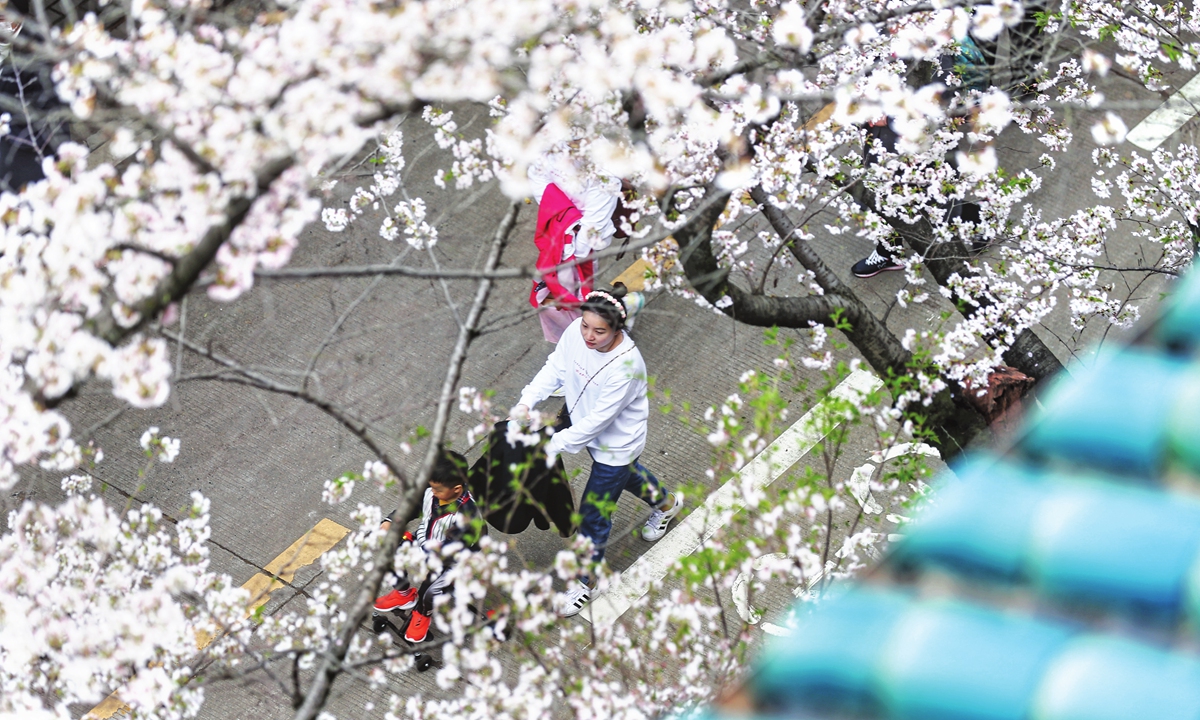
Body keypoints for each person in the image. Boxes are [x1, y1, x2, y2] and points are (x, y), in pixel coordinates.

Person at [510, 283, 683, 617]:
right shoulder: (577, 330)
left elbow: (599, 421)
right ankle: (667, 504)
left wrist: (553, 444)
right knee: (628, 477)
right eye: (586, 325)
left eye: (599, 331)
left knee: (594, 514)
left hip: (616, 445)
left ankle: (584, 584)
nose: (589, 335)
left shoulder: (626, 366)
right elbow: (556, 367)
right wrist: (526, 401)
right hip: (587, 430)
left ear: (618, 329)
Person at [373, 449, 481, 643]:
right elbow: (413, 506)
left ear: (456, 489)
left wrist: (420, 552)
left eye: (437, 490)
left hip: (452, 558)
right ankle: (404, 593)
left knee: (430, 588)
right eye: (431, 487)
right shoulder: (433, 491)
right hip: (426, 540)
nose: (432, 492)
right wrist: (391, 521)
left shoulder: (468, 517)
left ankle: (423, 613)